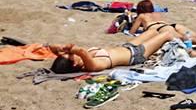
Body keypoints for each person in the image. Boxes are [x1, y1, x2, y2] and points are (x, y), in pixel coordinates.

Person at [49, 27, 180, 73]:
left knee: (153, 31)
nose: (71, 53)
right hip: (136, 55)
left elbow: (52, 47)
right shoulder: (91, 66)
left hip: (127, 47)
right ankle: (188, 41)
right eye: (71, 56)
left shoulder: (82, 59)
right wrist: (72, 49)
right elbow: (81, 51)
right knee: (166, 35)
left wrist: (61, 48)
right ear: (75, 64)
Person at [128, 0, 196, 50]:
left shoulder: (141, 16)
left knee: (181, 38)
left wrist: (133, 21)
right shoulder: (157, 13)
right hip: (172, 25)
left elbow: (132, 32)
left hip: (162, 29)